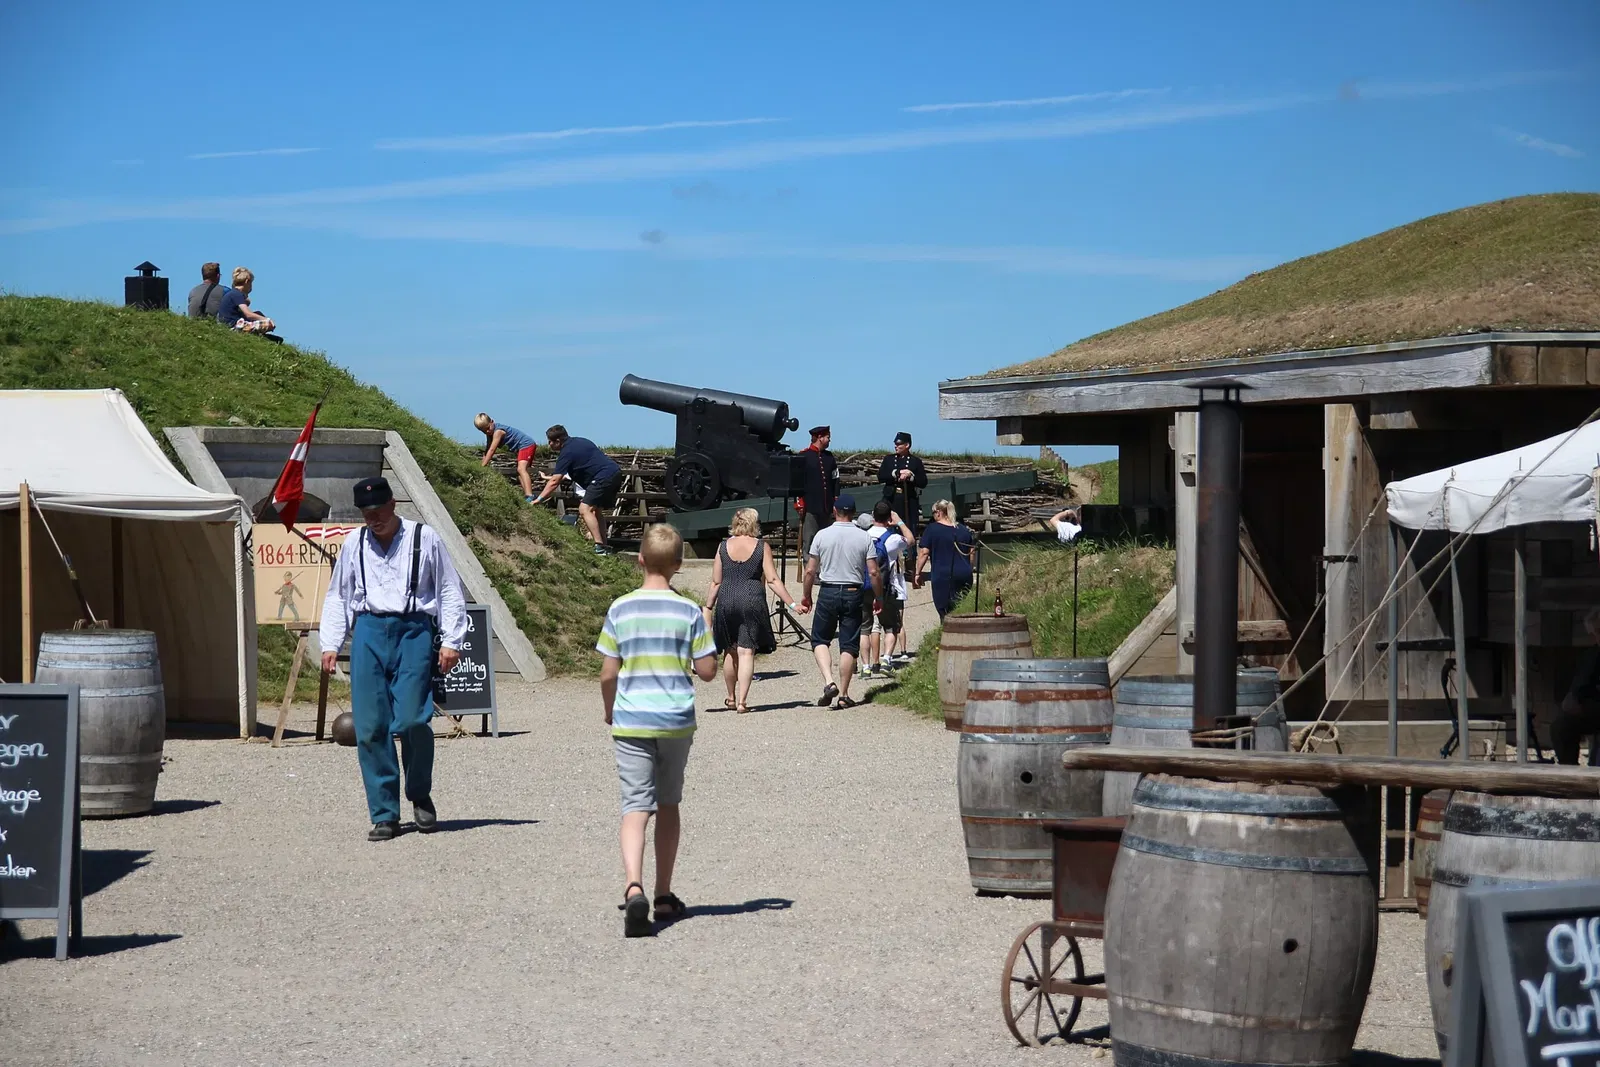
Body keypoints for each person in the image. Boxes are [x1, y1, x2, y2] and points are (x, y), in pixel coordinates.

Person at [320, 477, 467, 841]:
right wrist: (330, 642)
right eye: (367, 514)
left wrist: (452, 640)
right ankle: (384, 813)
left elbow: (448, 588)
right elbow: (339, 594)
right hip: (369, 629)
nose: (374, 519)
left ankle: (419, 792)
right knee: (370, 726)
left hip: (414, 630)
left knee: (413, 719)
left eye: (379, 511)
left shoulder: (424, 538)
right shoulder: (353, 543)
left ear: (393, 506)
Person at [597, 523, 718, 937]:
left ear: (640, 560)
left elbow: (607, 673)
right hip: (675, 721)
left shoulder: (620, 608)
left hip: (632, 719)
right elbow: (706, 672)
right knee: (668, 804)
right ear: (680, 566)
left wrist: (611, 710)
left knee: (635, 807)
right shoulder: (688, 611)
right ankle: (664, 894)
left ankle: (634, 886)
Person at [705, 508, 801, 714]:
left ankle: (730, 697)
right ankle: (742, 702)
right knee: (746, 651)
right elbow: (773, 580)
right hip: (751, 598)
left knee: (730, 650)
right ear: (754, 524)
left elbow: (715, 581)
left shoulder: (723, 546)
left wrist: (708, 606)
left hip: (727, 598)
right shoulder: (761, 547)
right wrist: (792, 604)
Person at [801, 493, 882, 709]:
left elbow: (810, 570)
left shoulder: (822, 535)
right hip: (853, 591)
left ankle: (829, 681)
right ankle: (844, 694)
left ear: (835, 511)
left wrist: (806, 595)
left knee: (819, 639)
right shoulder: (864, 537)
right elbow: (873, 572)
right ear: (853, 513)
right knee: (848, 644)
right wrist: (879, 597)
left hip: (828, 590)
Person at [530, 425, 625, 554]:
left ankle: (599, 546)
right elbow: (561, 476)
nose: (549, 444)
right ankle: (604, 546)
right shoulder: (581, 441)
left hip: (603, 476)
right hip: (614, 473)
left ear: (558, 441)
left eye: (550, 441)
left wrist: (539, 499)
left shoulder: (566, 452)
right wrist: (547, 477)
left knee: (584, 508)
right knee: (596, 510)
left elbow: (555, 481)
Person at [859, 501, 912, 678]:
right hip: (884, 589)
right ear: (889, 518)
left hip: (864, 587)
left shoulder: (863, 535)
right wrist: (900, 522)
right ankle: (887, 659)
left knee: (865, 629)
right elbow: (911, 540)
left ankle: (865, 667)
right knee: (891, 626)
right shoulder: (893, 538)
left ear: (873, 516)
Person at [1551, 608, 1600, 764]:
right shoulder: (1594, 654)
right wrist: (1575, 698)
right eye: (1594, 633)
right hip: (1592, 707)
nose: (1596, 637)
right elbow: (1582, 683)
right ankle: (1570, 772)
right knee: (1561, 727)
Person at [915, 499, 976, 619]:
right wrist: (969, 568)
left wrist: (917, 573)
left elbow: (924, 553)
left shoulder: (932, 529)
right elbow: (971, 552)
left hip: (943, 576)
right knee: (961, 609)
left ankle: (947, 634)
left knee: (945, 612)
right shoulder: (964, 530)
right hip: (964, 574)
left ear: (938, 512)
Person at [475, 413, 541, 502]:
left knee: (521, 469)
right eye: (483, 431)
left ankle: (530, 495)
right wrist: (482, 463)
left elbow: (492, 450)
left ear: (492, 422)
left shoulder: (498, 432)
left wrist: (483, 465)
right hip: (521, 447)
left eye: (487, 428)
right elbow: (487, 449)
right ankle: (527, 496)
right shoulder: (490, 433)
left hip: (526, 445)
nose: (487, 431)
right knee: (520, 472)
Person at [797, 425, 838, 559]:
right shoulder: (804, 456)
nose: (829, 440)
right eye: (827, 437)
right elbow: (797, 482)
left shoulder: (829, 457)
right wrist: (800, 502)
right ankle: (810, 570)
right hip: (811, 506)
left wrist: (835, 499)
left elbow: (835, 479)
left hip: (826, 506)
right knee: (809, 539)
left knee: (825, 541)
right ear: (820, 438)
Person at [878, 431, 928, 533]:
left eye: (898, 444)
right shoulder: (889, 459)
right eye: (895, 444)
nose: (895, 446)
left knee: (908, 526)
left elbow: (923, 482)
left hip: (908, 500)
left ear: (907, 445)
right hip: (891, 499)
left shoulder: (915, 461)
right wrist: (897, 473)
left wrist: (910, 477)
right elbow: (881, 476)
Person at [215, 266, 276, 334]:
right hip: (233, 326)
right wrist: (267, 319)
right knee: (267, 324)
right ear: (247, 281)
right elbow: (248, 314)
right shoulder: (237, 294)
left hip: (227, 323)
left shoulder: (233, 293)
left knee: (258, 314)